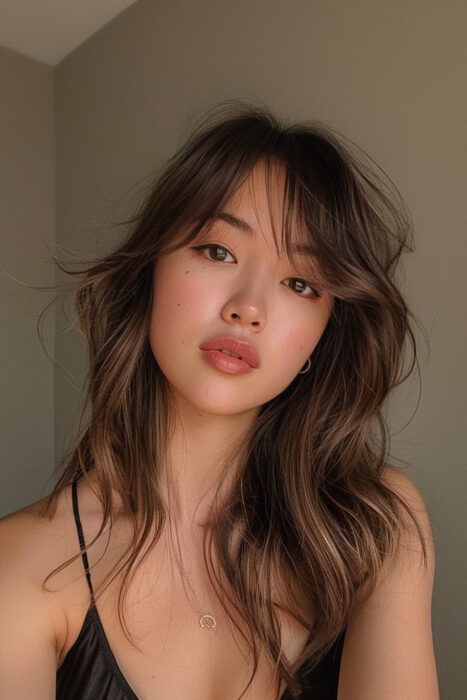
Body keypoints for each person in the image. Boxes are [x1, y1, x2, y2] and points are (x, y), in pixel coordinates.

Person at [0, 104, 439, 699]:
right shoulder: (21, 563)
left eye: (301, 283)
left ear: (318, 339)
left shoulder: (377, 524)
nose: (249, 306)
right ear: (152, 270)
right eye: (218, 251)